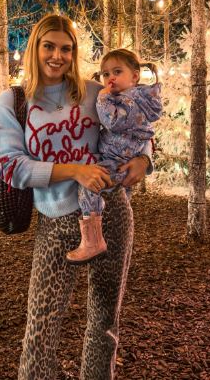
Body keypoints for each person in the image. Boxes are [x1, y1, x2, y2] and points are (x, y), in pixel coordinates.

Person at [0, 14, 153, 380]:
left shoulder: (94, 92)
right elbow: (9, 166)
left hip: (110, 212)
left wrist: (145, 159)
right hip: (57, 222)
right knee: (40, 328)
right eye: (48, 46)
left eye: (66, 48)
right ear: (35, 47)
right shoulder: (15, 101)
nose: (57, 55)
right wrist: (74, 170)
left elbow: (138, 129)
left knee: (104, 324)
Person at [66, 49, 162, 265]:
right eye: (105, 73)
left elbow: (115, 122)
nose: (110, 78)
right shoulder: (127, 96)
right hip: (112, 160)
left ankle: (92, 241)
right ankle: (94, 236)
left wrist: (144, 159)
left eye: (117, 71)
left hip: (115, 164)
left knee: (89, 186)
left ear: (135, 76)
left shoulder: (126, 99)